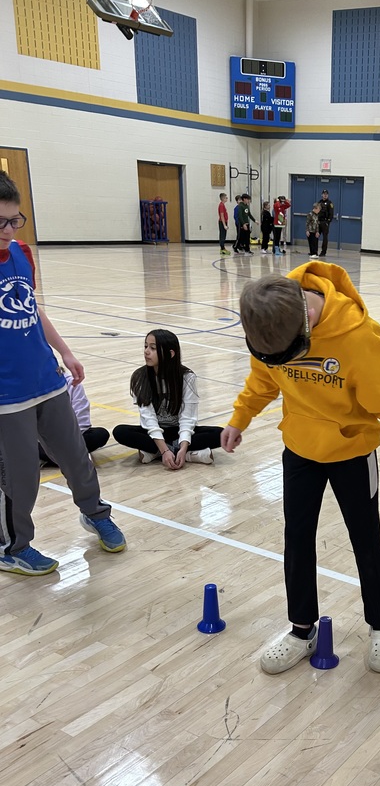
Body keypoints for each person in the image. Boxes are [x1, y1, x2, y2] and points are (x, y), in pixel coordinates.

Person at [220, 264, 380, 675]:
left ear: (307, 320)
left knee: (366, 542)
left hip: (353, 453)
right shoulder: (274, 326)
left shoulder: (360, 340)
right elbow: (263, 379)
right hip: (300, 449)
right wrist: (240, 418)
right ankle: (301, 629)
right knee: (297, 540)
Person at [0, 170, 126, 576]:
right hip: (6, 396)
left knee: (76, 457)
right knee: (20, 480)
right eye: (0, 222)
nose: (9, 229)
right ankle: (13, 547)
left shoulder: (21, 253)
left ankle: (94, 513)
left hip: (46, 380)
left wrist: (65, 351)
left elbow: (33, 310)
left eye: (14, 220)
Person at [113, 329, 224, 467]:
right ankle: (184, 454)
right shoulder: (140, 377)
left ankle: (158, 453)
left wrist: (183, 447)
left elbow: (187, 418)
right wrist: (165, 450)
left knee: (221, 434)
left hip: (178, 431)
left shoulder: (187, 377)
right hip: (154, 433)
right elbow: (149, 419)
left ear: (170, 353)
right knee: (121, 432)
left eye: (153, 348)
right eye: (146, 346)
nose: (146, 351)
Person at [39, 372, 109, 466]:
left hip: (70, 436)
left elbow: (82, 422)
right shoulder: (30, 386)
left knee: (100, 435)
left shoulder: (72, 383)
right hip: (43, 440)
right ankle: (70, 457)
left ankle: (54, 458)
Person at [317, 189, 334, 256]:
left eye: (326, 194)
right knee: (316, 236)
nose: (325, 195)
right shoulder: (319, 202)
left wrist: (328, 222)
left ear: (328, 195)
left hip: (325, 222)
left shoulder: (330, 203)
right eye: (324, 194)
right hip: (319, 221)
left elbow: (331, 214)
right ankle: (314, 250)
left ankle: (323, 252)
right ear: (322, 195)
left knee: (325, 238)